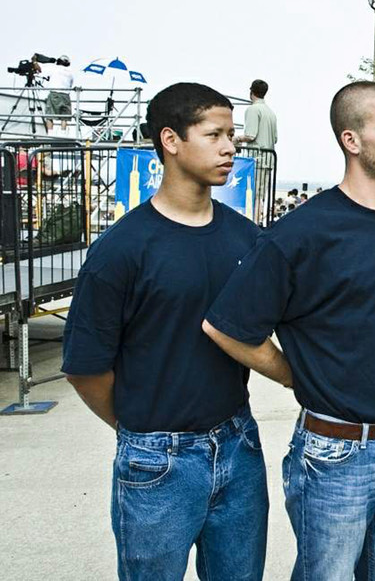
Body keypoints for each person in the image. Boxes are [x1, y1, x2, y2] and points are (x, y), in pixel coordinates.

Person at [203, 80, 375, 581]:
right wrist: (295, 376)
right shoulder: (302, 233)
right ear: (351, 141)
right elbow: (227, 327)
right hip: (338, 454)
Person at [61, 83, 269, 580]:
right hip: (156, 461)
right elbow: (86, 369)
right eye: (214, 135)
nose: (230, 147)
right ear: (171, 140)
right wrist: (143, 434)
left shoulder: (247, 238)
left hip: (239, 445)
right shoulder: (122, 249)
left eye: (232, 135)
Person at [235, 79, 278, 150]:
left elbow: (250, 136)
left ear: (251, 92)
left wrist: (237, 139)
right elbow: (275, 139)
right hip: (270, 158)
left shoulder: (253, 109)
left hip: (257, 157)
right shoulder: (271, 112)